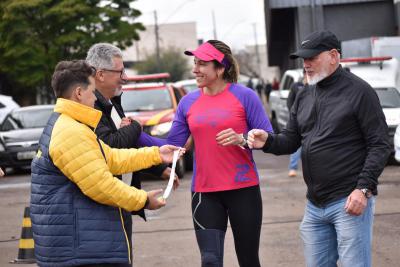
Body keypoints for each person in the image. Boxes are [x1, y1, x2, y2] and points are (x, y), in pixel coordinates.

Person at [247, 30, 391, 267]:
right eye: (303, 59)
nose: (306, 64)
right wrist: (269, 141)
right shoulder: (304, 94)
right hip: (315, 205)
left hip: (349, 201)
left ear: (334, 56)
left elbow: (380, 143)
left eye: (312, 57)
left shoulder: (360, 92)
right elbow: (292, 139)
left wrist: (363, 189)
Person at [30, 60, 182, 267]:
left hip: (81, 244)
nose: (95, 97)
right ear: (78, 93)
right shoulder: (71, 132)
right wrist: (143, 200)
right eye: (92, 91)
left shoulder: (70, 124)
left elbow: (109, 158)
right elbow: (101, 186)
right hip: (78, 249)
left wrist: (157, 154)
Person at [139, 40, 273, 267]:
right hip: (205, 193)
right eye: (195, 63)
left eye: (202, 64)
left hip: (244, 190)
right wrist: (135, 133)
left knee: (249, 260)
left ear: (220, 68)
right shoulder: (188, 102)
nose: (195, 69)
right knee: (210, 261)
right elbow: (173, 146)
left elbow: (267, 137)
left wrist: (242, 139)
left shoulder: (245, 96)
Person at [85, 43, 178, 264]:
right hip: (107, 203)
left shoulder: (111, 102)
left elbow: (127, 145)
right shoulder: (91, 107)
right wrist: (135, 126)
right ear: (100, 74)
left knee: (124, 257)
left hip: (121, 198)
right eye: (120, 72)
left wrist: (159, 167)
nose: (124, 77)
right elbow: (110, 147)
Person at [286, 69, 307, 177]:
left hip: (312, 121)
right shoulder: (296, 86)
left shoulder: (316, 86)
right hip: (298, 121)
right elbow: (289, 102)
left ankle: (308, 170)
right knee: (296, 145)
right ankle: (293, 168)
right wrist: (294, 115)